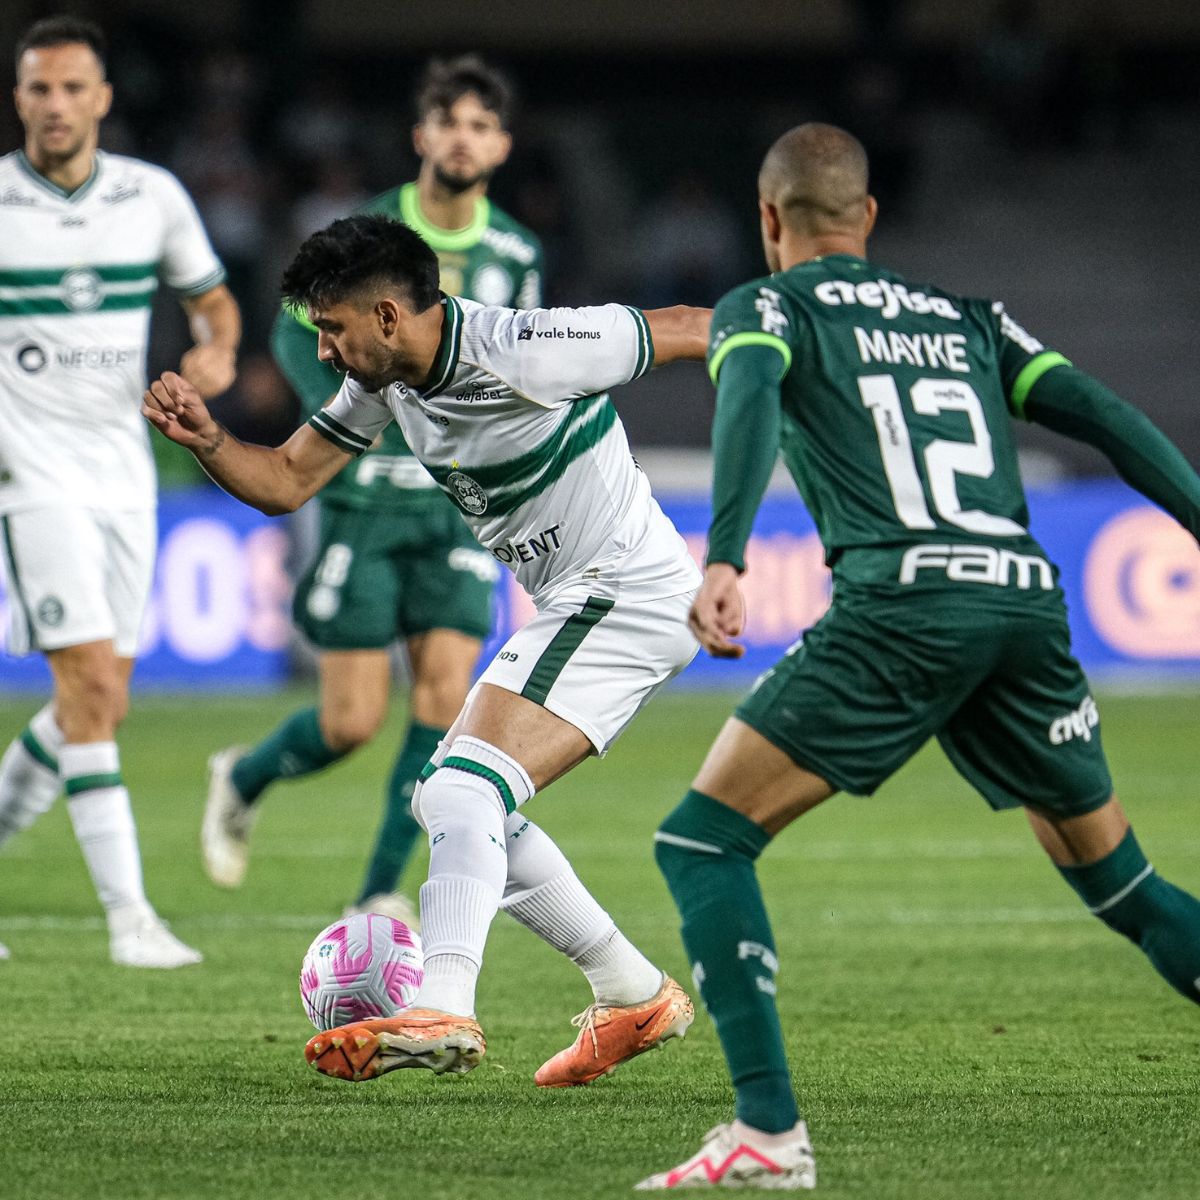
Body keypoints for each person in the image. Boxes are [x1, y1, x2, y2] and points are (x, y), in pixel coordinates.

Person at [638, 122, 1200, 1191]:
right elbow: (1110, 418)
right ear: (870, 220)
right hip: (1024, 603)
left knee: (703, 843)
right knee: (1123, 885)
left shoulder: (767, 307)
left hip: (903, 604)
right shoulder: (967, 319)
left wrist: (723, 557)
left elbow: (750, 396)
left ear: (768, 221)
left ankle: (768, 1133)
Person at [145, 213, 709, 1085]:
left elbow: (690, 329)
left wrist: (804, 359)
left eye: (332, 329)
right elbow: (287, 480)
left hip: (626, 592)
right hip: (580, 599)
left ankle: (446, 1003)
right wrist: (210, 441)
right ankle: (631, 990)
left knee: (459, 787)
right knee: (460, 802)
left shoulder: (525, 346)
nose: (324, 352)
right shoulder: (385, 385)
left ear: (386, 318)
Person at [202, 56, 541, 926]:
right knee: (350, 720)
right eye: (448, 122)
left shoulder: (516, 255)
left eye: (480, 125)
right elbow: (290, 335)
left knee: (441, 706)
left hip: (458, 509)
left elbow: (524, 366)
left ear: (499, 145)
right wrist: (341, 423)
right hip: (368, 503)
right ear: (422, 135)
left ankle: (377, 896)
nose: (462, 138)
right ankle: (241, 775)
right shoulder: (370, 234)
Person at [0, 18, 240, 968]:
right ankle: (130, 919)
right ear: (19, 98)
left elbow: (211, 303)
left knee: (97, 702)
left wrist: (215, 353)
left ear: (101, 98)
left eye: (71, 89)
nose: (54, 105)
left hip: (124, 476)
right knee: (90, 687)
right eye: (37, 90)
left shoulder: (154, 197)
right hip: (29, 474)